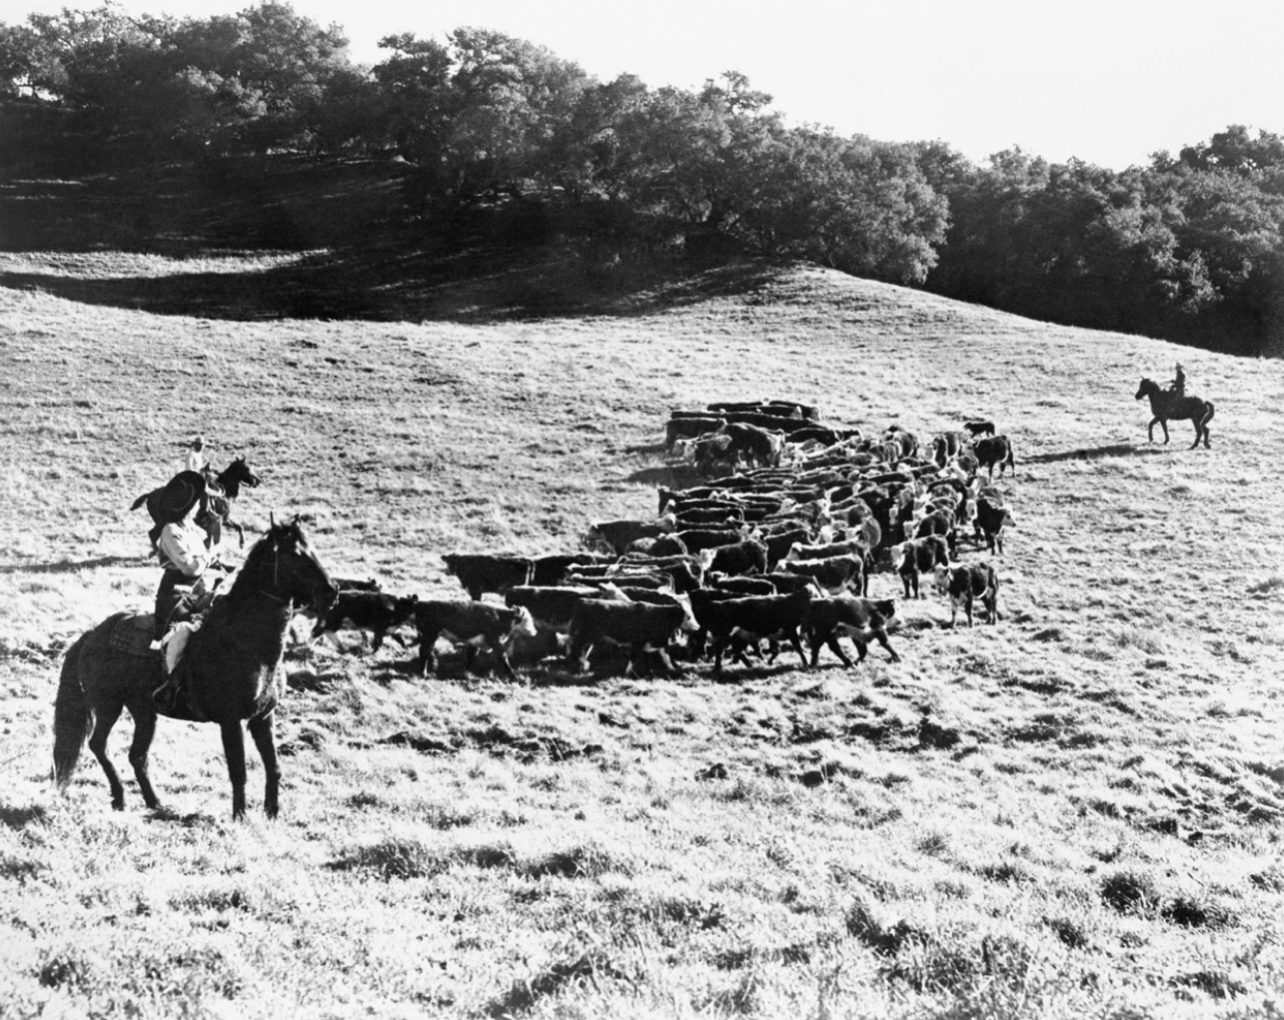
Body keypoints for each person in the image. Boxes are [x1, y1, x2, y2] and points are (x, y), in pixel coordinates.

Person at [151, 491, 224, 717]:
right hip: (176, 596)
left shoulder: (193, 530)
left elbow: (210, 556)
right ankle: (173, 686)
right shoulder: (170, 532)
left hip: (200, 589)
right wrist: (209, 556)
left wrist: (216, 538)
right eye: (194, 504)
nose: (198, 508)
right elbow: (189, 568)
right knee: (187, 633)